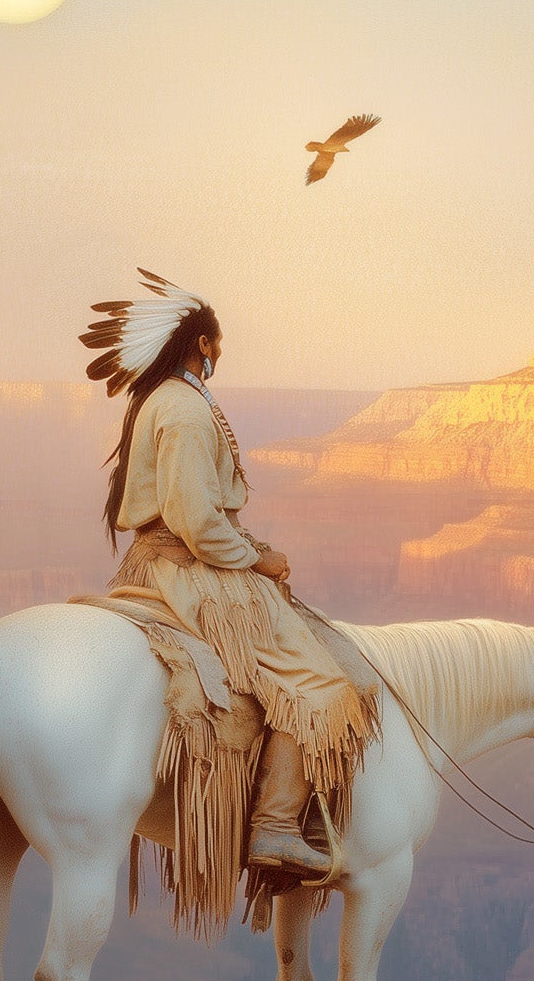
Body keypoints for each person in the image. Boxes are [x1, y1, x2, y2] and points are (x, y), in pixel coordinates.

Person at [83, 274, 377, 877]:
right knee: (321, 681)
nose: (223, 353)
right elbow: (195, 518)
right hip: (194, 571)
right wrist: (257, 558)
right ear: (205, 344)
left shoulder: (163, 399)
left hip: (167, 558)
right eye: (221, 343)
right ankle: (274, 827)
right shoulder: (186, 409)